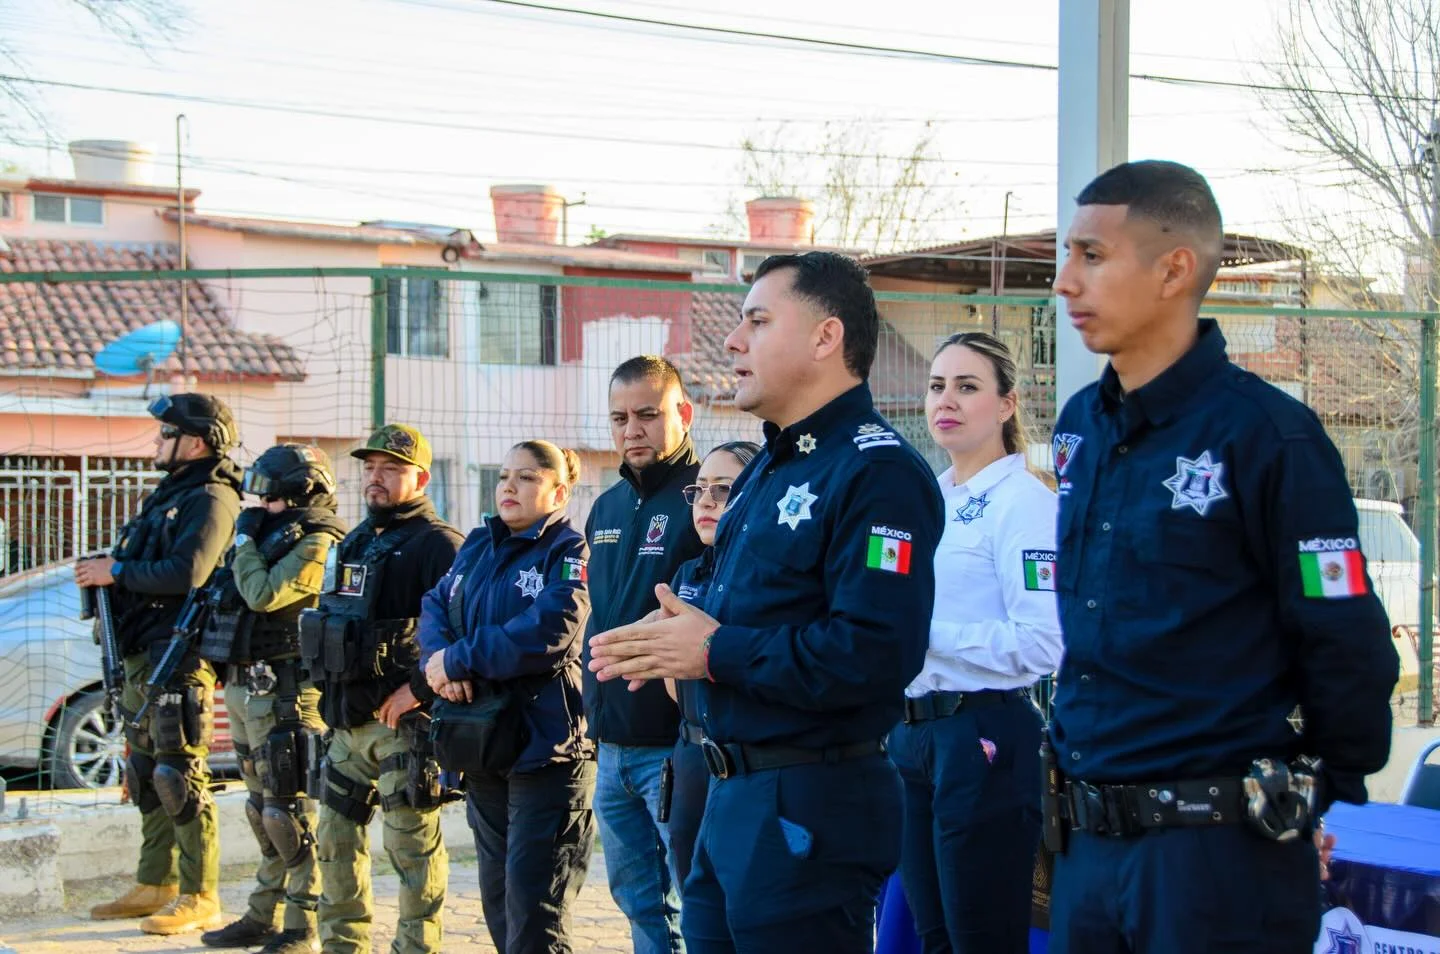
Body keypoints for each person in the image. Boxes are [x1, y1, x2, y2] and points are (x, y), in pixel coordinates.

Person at [1045, 160, 1399, 954]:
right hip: (1088, 846)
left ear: (1174, 269)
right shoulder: (1083, 425)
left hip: (1214, 858)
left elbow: (1341, 636)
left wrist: (1324, 793)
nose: (1065, 283)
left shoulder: (1268, 435)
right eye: (1066, 256)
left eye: (1091, 256)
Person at [590, 251, 945, 953]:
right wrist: (674, 644)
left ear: (825, 338)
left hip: (808, 808)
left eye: (757, 320)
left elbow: (874, 652)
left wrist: (712, 651)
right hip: (728, 800)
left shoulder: (877, 473)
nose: (732, 340)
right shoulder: (769, 470)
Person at [888, 332, 1061, 954]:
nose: (947, 400)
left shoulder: (1026, 504)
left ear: (1007, 405)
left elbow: (1042, 644)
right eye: (938, 386)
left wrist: (921, 636)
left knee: (980, 939)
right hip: (910, 736)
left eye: (967, 386)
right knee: (930, 938)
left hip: (981, 735)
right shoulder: (926, 497)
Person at [417, 440, 594, 954]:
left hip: (547, 750)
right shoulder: (477, 544)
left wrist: (458, 659)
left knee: (534, 908)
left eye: (528, 478)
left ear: (558, 491)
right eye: (504, 476)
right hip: (483, 742)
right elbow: (435, 606)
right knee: (497, 898)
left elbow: (550, 628)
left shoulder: (571, 551)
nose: (510, 487)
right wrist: (440, 664)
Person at [76, 393, 243, 935]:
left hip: (178, 654)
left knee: (180, 773)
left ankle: (200, 893)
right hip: (143, 653)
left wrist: (115, 571)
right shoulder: (172, 493)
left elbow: (189, 572)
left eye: (166, 433)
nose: (156, 442)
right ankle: (156, 881)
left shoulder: (212, 497)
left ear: (196, 441)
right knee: (146, 772)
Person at [301, 424, 463, 954]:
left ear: (421, 477)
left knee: (411, 849)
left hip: (404, 725)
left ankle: (417, 947)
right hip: (348, 723)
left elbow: (458, 637)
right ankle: (342, 945)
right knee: (334, 842)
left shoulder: (439, 545)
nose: (376, 477)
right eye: (370, 467)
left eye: (391, 468)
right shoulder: (356, 540)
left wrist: (415, 691)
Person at [200, 444, 349, 954]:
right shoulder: (268, 533)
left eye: (273, 497)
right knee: (261, 807)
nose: (261, 506)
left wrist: (241, 541)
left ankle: (302, 924)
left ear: (304, 493)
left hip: (286, 693)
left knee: (288, 811)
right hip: (246, 689)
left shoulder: (318, 541)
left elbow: (265, 594)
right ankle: (261, 913)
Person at [584, 355, 706, 954]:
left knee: (698, 896)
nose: (631, 429)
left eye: (647, 415)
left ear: (683, 413)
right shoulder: (604, 507)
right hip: (609, 746)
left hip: (673, 742)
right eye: (619, 417)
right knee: (635, 901)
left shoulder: (707, 497)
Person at [665, 440, 761, 890]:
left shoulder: (765, 576)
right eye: (699, 489)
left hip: (746, 756)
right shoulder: (688, 574)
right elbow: (675, 681)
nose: (705, 500)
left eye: (722, 490)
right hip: (692, 751)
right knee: (692, 890)